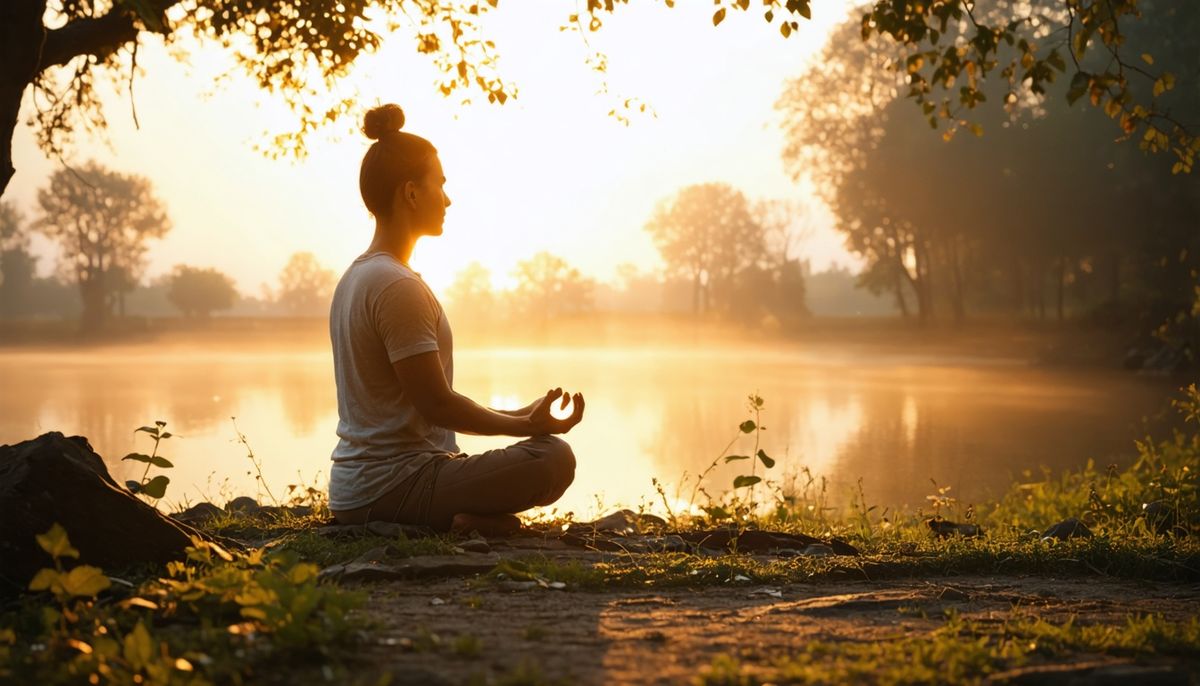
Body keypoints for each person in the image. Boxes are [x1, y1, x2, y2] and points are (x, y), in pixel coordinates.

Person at [327, 103, 585, 536]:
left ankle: (469, 521)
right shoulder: (395, 286)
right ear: (411, 193)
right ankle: (458, 521)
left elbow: (426, 401)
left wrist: (520, 412)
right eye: (440, 185)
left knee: (541, 453)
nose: (448, 198)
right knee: (553, 458)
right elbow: (438, 405)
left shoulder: (360, 275)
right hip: (393, 486)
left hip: (366, 489)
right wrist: (525, 427)